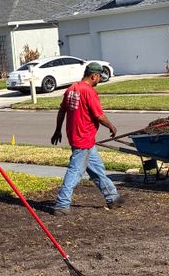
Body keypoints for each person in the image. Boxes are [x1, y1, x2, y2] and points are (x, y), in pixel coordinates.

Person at [50, 62, 125, 213]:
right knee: (75, 171)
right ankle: (62, 204)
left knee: (97, 169)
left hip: (79, 137)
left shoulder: (72, 89)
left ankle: (112, 197)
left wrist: (58, 130)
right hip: (83, 138)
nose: (99, 80)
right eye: (99, 77)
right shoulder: (89, 91)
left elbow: (62, 110)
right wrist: (111, 126)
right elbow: (99, 116)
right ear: (94, 76)